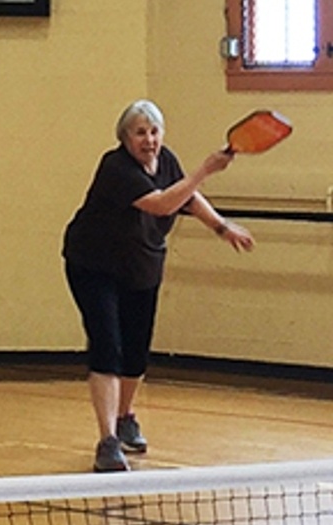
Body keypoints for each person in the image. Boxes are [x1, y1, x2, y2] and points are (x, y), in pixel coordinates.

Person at [63, 99, 254, 472]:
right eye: (139, 132)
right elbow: (165, 203)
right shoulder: (115, 167)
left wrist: (221, 226)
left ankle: (126, 417)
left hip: (141, 266)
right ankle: (107, 442)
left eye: (153, 131)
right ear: (125, 138)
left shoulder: (166, 160)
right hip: (94, 266)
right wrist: (205, 170)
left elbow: (187, 196)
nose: (148, 140)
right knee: (108, 345)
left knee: (136, 350)